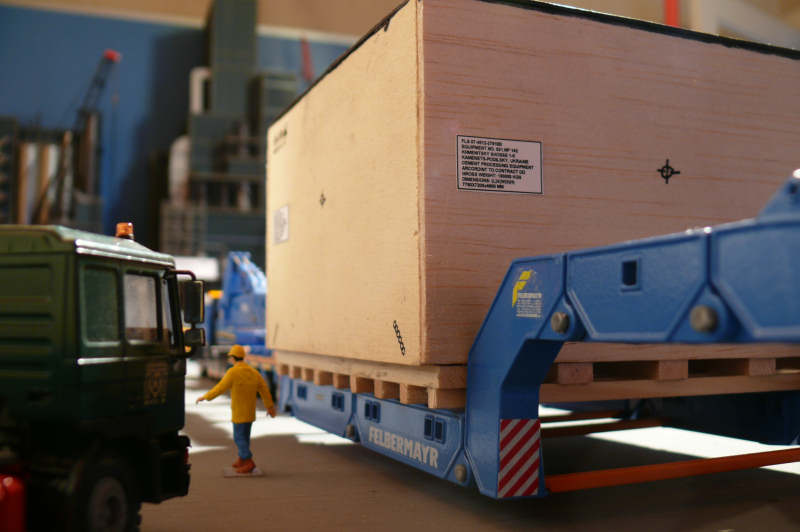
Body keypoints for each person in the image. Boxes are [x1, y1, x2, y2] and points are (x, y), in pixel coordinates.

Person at [196, 344, 276, 474]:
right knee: (245, 437)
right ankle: (242, 459)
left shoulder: (233, 372)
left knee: (239, 438)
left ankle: (248, 461)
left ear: (233, 358)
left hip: (239, 412)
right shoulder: (253, 372)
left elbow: (220, 388)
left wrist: (206, 397)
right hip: (250, 412)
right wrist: (270, 406)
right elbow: (264, 389)